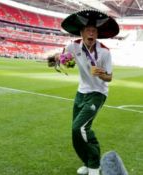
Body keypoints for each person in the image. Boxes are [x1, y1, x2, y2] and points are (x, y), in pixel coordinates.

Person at [53, 10, 119, 175]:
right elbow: (65, 60)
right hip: (81, 92)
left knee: (79, 128)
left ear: (97, 34)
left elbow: (109, 77)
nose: (92, 33)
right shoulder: (72, 46)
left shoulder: (104, 51)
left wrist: (101, 74)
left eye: (94, 31)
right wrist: (58, 59)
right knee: (75, 132)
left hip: (98, 93)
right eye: (88, 30)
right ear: (81, 32)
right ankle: (87, 161)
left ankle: (94, 166)